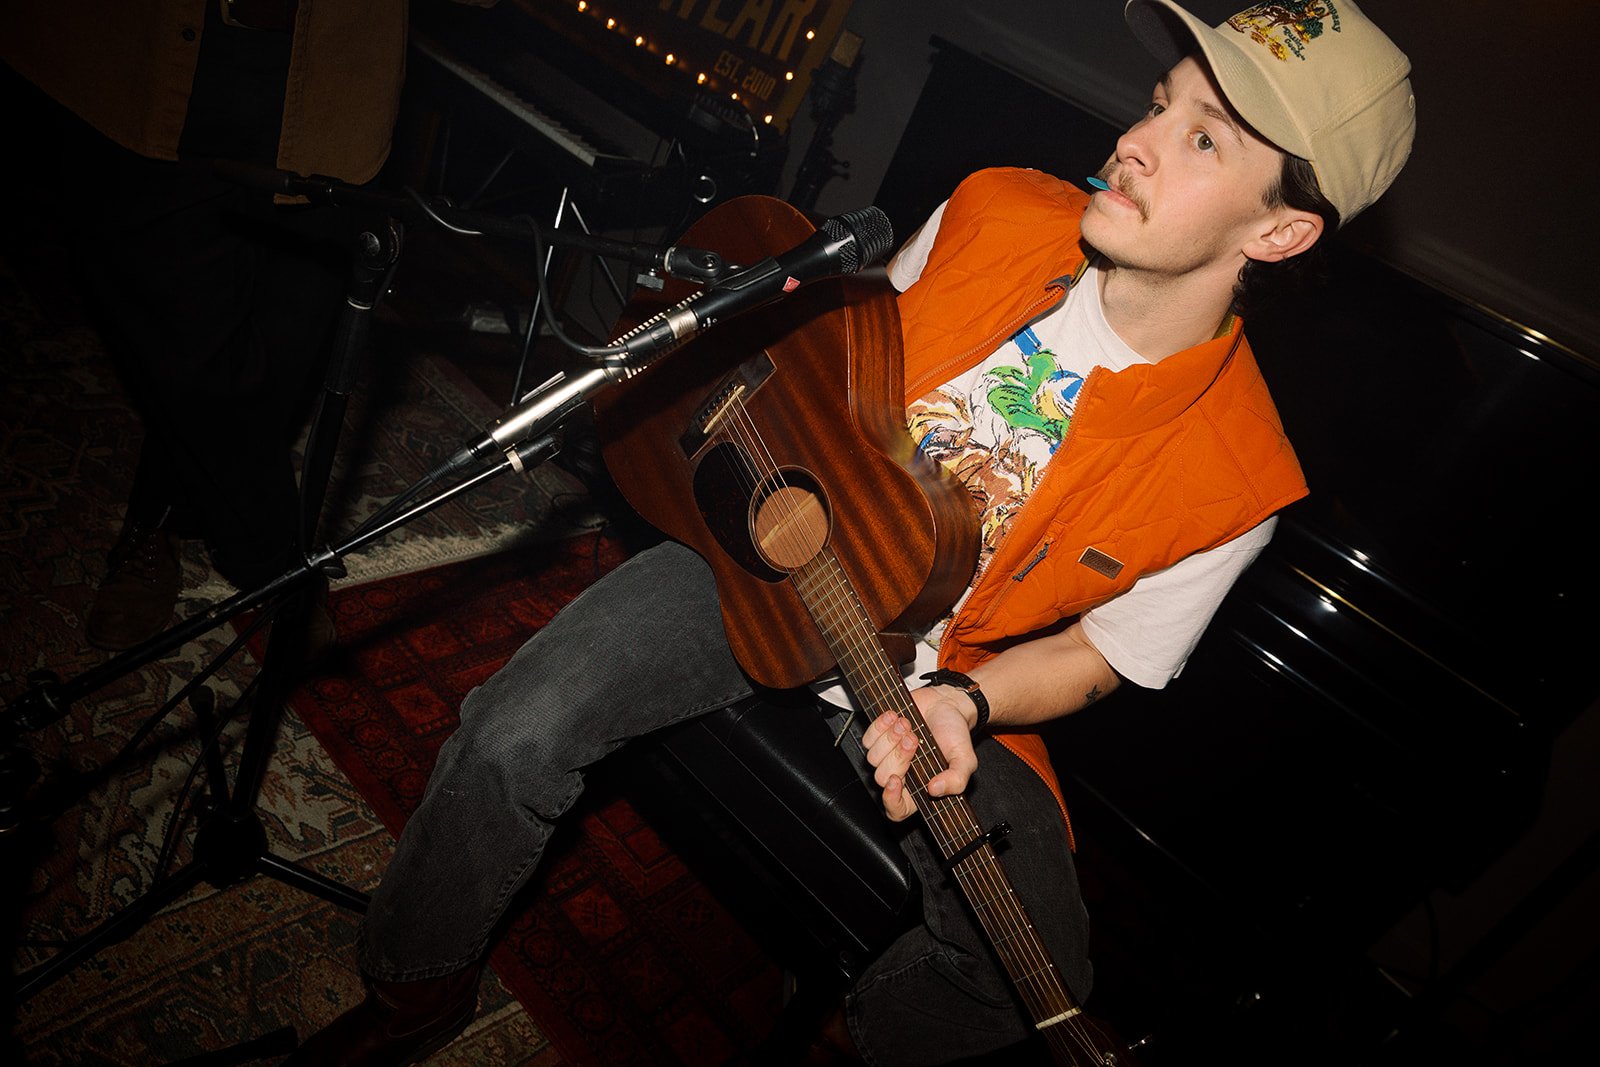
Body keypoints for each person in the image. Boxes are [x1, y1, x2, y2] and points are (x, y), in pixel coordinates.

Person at [291, 2, 1415, 1063]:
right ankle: (414, 987)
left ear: (1280, 231)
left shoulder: (1240, 479)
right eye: (1159, 103)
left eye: (1203, 138)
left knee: (1032, 977)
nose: (1134, 142)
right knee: (510, 731)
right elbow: (832, 367)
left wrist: (967, 702)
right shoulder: (992, 208)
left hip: (945, 672)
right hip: (774, 564)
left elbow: (1103, 654)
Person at [0, 2, 445, 650]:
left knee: (286, 354)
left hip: (337, 87)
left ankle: (157, 512)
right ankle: (274, 564)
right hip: (151, 67)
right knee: (189, 354)